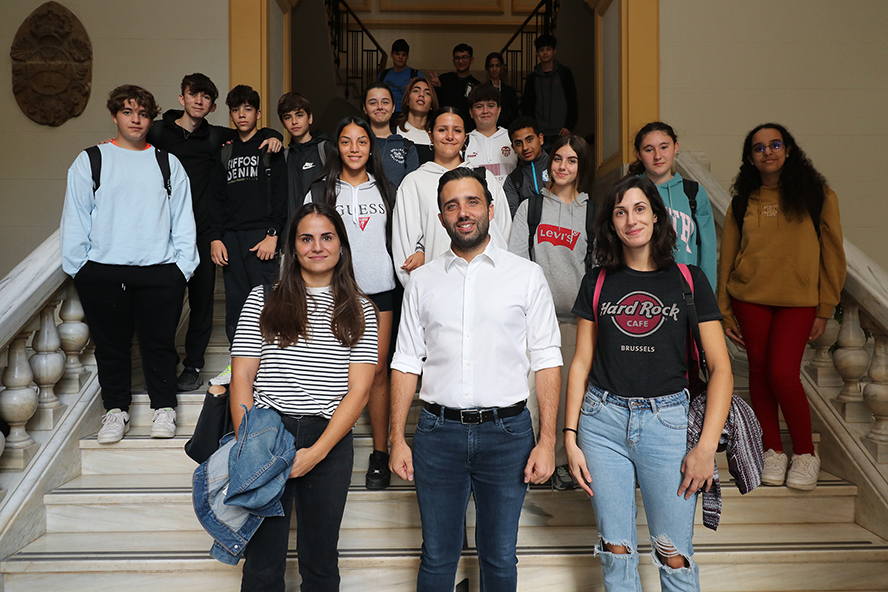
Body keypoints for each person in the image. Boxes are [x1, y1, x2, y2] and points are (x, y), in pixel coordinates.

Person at [389, 167, 562, 591]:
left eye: (471, 202)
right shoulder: (422, 282)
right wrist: (396, 437)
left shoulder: (526, 276)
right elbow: (406, 360)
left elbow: (546, 359)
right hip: (437, 434)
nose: (462, 212)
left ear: (488, 206)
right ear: (441, 216)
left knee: (500, 558)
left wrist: (547, 441)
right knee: (436, 557)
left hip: (508, 435)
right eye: (452, 205)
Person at [564, 175, 732, 592]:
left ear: (656, 216)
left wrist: (706, 448)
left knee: (673, 554)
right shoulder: (598, 281)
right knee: (615, 549)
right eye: (620, 212)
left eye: (639, 209)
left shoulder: (688, 280)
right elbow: (581, 362)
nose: (630, 219)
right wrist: (569, 437)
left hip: (669, 424)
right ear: (611, 223)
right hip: (601, 422)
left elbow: (722, 369)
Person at [230, 202, 378, 591]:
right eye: (306, 238)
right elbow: (242, 375)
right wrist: (250, 444)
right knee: (262, 562)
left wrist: (317, 451)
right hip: (267, 433)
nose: (317, 246)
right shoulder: (264, 298)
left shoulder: (361, 308)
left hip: (327, 438)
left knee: (321, 561)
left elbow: (359, 390)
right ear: (293, 247)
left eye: (327, 237)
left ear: (341, 246)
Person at [61, 84, 199, 443]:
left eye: (142, 113)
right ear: (114, 115)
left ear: (151, 118)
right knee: (111, 347)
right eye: (127, 112)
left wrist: (180, 269)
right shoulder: (91, 160)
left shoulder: (167, 163)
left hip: (159, 271)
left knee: (160, 345)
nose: (135, 119)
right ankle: (115, 411)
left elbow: (183, 219)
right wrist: (81, 268)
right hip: (103, 271)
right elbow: (75, 217)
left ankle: (163, 409)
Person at [718, 123, 846, 491]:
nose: (768, 152)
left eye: (775, 144)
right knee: (758, 372)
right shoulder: (743, 201)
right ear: (750, 159)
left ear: (788, 150)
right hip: (749, 298)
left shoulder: (817, 195)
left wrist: (825, 306)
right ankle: (771, 450)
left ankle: (805, 454)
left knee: (782, 373)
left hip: (798, 302)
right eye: (759, 148)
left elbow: (834, 255)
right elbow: (728, 257)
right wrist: (725, 309)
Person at [145, 73, 282, 392]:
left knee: (203, 301)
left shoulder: (216, 137)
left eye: (205, 98)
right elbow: (131, 141)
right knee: (164, 302)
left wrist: (274, 134)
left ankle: (193, 365)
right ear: (182, 98)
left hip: (203, 231)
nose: (198, 101)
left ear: (213, 106)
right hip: (164, 232)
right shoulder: (158, 131)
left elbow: (254, 133)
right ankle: (163, 367)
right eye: (193, 95)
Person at [305, 116, 398, 490]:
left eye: (362, 141)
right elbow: (303, 240)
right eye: (346, 141)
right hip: (333, 291)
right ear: (337, 147)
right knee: (332, 369)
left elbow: (407, 236)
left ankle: (379, 454)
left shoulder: (388, 190)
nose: (355, 148)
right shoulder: (319, 191)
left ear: (370, 147)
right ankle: (326, 448)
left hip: (380, 291)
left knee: (376, 371)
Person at [508, 135, 593, 491]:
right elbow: (515, 261)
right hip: (535, 321)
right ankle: (526, 460)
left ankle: (558, 461)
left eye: (571, 161)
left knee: (563, 398)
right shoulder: (532, 208)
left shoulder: (591, 211)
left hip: (575, 322)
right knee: (529, 395)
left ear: (580, 167)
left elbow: (596, 269)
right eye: (557, 159)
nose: (562, 166)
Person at [392, 107, 512, 287]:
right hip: (436, 289)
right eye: (442, 130)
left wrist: (496, 283)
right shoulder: (413, 183)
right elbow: (404, 247)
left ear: (465, 137)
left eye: (457, 131)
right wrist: (421, 293)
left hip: (485, 285)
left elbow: (503, 234)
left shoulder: (485, 179)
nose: (450, 136)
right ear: (430, 135)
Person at [207, 85, 287, 354]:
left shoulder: (269, 147)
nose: (242, 114)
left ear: (258, 113)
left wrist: (273, 234)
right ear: (230, 115)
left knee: (267, 301)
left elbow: (280, 196)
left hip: (261, 236)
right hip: (231, 238)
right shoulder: (225, 151)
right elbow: (215, 199)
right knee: (237, 304)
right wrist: (216, 237)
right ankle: (237, 361)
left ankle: (271, 360)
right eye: (236, 110)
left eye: (248, 109)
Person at [628, 121, 717, 289]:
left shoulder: (693, 193)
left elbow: (708, 251)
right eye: (649, 150)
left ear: (675, 147)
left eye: (664, 147)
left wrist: (707, 296)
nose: (657, 156)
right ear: (638, 154)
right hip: (640, 289)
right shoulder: (629, 191)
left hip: (684, 289)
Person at [279, 91, 331, 229]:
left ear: (310, 118)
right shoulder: (285, 156)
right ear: (283, 123)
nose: (294, 121)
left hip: (321, 229)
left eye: (299, 115)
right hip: (292, 232)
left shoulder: (325, 149)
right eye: (288, 117)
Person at [520, 35, 578, 152]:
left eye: (548, 49)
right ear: (537, 53)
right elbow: (527, 105)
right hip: (540, 134)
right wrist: (533, 128)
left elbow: (572, 101)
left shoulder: (564, 74)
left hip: (561, 132)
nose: (545, 53)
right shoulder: (532, 78)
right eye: (541, 50)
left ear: (554, 51)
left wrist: (569, 126)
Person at [362, 82, 419, 188]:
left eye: (385, 102)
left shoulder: (406, 147)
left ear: (393, 107)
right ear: (365, 108)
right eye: (373, 103)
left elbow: (411, 190)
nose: (380, 107)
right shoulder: (356, 145)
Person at [463, 84, 517, 185]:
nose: (485, 111)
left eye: (491, 106)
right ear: (471, 112)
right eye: (479, 107)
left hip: (510, 200)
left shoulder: (512, 138)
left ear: (499, 110)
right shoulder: (464, 142)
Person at [504, 116, 549, 218]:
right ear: (513, 148)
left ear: (540, 139)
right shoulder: (513, 180)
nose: (525, 148)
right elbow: (515, 217)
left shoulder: (558, 167)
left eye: (529, 140)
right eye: (519, 143)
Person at [429, 43, 481, 117]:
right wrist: (437, 88)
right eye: (457, 58)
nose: (460, 61)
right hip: (444, 120)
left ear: (471, 59)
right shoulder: (444, 79)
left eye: (464, 57)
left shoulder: (476, 84)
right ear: (453, 60)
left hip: (466, 125)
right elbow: (435, 103)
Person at [396, 77, 439, 164]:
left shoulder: (437, 137)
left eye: (427, 93)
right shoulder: (393, 133)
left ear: (431, 104)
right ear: (407, 100)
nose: (421, 95)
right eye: (416, 91)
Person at [377, 38, 422, 115]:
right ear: (392, 55)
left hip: (407, 114)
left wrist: (412, 91)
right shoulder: (383, 75)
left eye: (404, 55)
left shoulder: (415, 74)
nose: (400, 57)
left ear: (407, 56)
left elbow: (423, 97)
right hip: (385, 113)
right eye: (397, 54)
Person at [482, 51, 519, 129]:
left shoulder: (510, 91)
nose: (494, 69)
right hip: (487, 128)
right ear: (487, 68)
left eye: (497, 66)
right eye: (491, 66)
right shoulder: (482, 90)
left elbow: (515, 114)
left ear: (502, 67)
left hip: (506, 129)